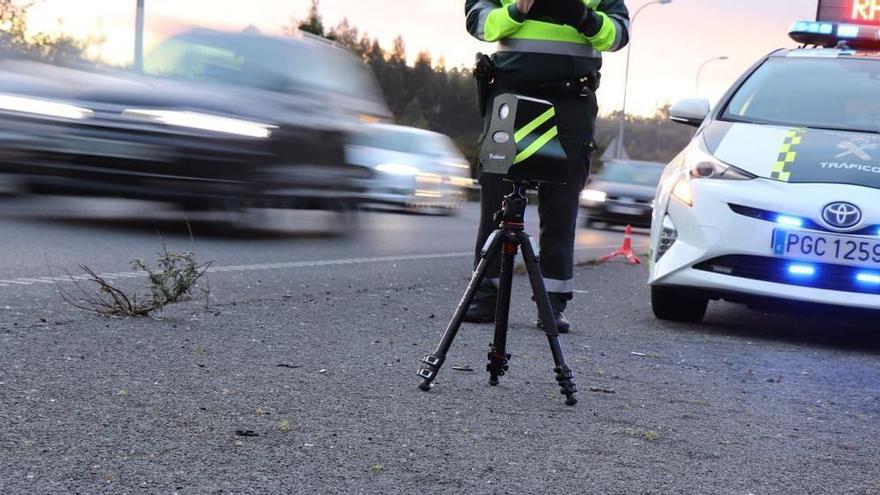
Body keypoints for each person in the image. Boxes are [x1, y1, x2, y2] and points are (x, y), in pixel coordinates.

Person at [463, 0, 630, 333]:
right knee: (497, 202)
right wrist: (516, 12)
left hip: (571, 101)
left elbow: (619, 35)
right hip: (511, 96)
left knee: (561, 206)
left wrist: (585, 19)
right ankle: (485, 296)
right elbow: (477, 21)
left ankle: (552, 303)